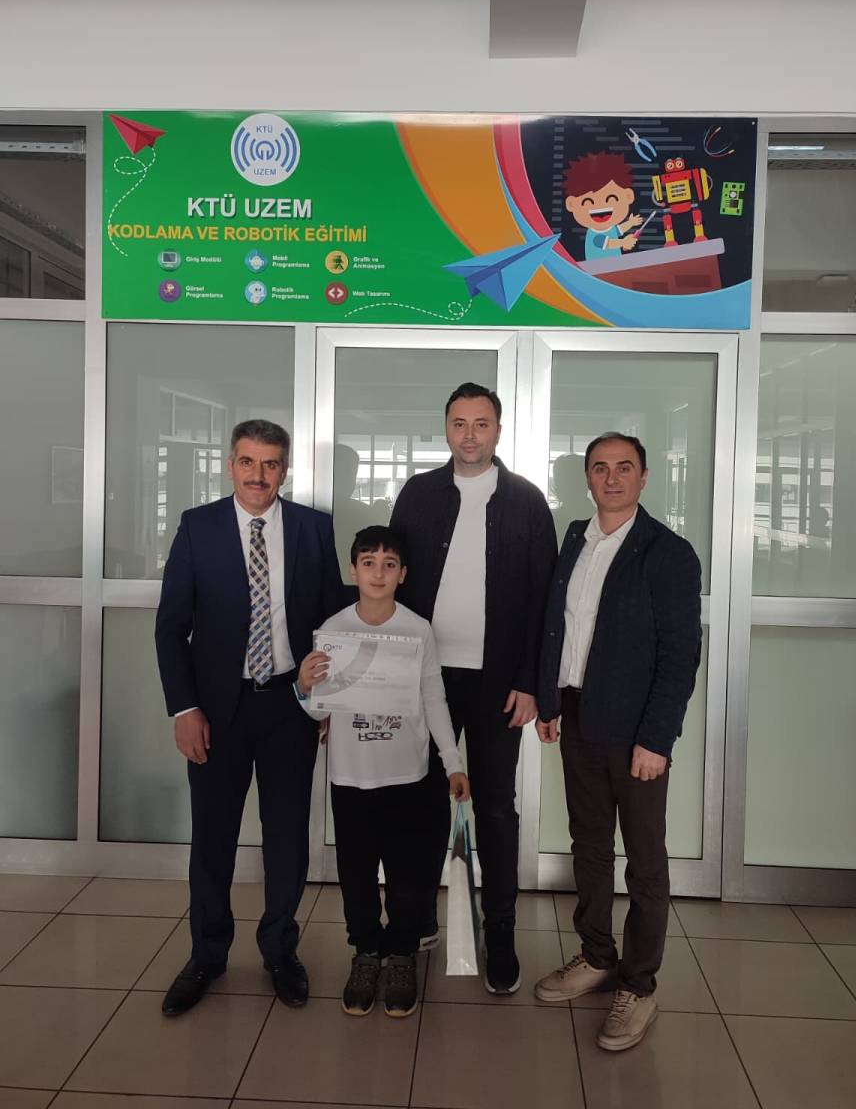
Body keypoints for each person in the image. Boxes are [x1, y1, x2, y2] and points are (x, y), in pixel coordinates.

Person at [155, 419, 343, 1016]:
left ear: (284, 469)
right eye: (246, 462)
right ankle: (207, 954)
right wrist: (185, 708)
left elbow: (330, 622)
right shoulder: (198, 527)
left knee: (286, 836)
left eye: (269, 464)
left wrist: (323, 700)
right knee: (213, 837)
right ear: (230, 464)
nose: (257, 475)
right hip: (217, 709)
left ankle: (280, 950)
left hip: (290, 705)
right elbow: (170, 628)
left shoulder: (313, 528)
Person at [533, 432, 701, 1051]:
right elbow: (559, 627)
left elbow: (680, 655)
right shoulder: (576, 538)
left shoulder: (668, 552)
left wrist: (657, 738)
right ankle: (597, 956)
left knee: (646, 859)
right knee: (590, 843)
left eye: (624, 467)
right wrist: (549, 701)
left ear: (644, 477)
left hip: (636, 732)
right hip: (578, 714)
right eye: (600, 468)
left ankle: (639, 983)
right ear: (587, 477)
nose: (611, 478)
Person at [389, 382, 557, 994]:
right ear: (446, 429)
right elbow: (391, 582)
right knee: (422, 802)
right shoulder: (418, 494)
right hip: (425, 677)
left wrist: (532, 683)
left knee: (494, 807)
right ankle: (419, 919)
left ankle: (501, 933)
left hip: (499, 684)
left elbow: (545, 602)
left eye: (481, 423)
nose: (469, 434)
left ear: (498, 430)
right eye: (459, 423)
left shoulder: (526, 501)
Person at [298, 525, 470, 1018]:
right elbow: (317, 711)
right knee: (355, 872)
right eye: (368, 563)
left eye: (389, 564)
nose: (378, 573)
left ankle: (401, 955)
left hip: (407, 776)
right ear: (353, 570)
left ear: (403, 574)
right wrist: (305, 687)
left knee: (406, 873)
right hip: (351, 777)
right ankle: (366, 952)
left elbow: (433, 699)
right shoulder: (333, 630)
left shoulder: (417, 630)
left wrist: (452, 762)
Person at [564, 151, 644, 261]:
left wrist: (630, 223)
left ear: (628, 196)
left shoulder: (610, 229)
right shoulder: (594, 234)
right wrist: (623, 242)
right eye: (587, 202)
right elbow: (608, 243)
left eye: (612, 199)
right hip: (599, 268)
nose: (600, 208)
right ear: (571, 204)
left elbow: (619, 229)